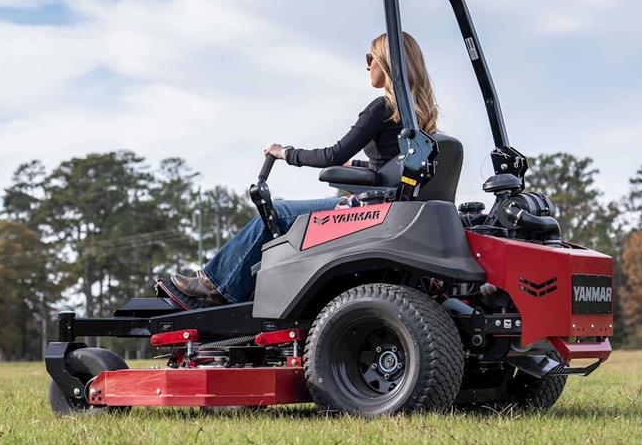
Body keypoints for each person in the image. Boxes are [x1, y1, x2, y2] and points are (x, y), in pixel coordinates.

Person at [159, 31, 439, 309]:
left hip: (370, 210)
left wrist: (285, 153)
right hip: (396, 209)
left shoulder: (382, 108)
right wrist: (354, 166)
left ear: (387, 63)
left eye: (370, 58)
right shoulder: (418, 117)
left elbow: (333, 154)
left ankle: (214, 285)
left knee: (276, 213)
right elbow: (394, 168)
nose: (367, 66)